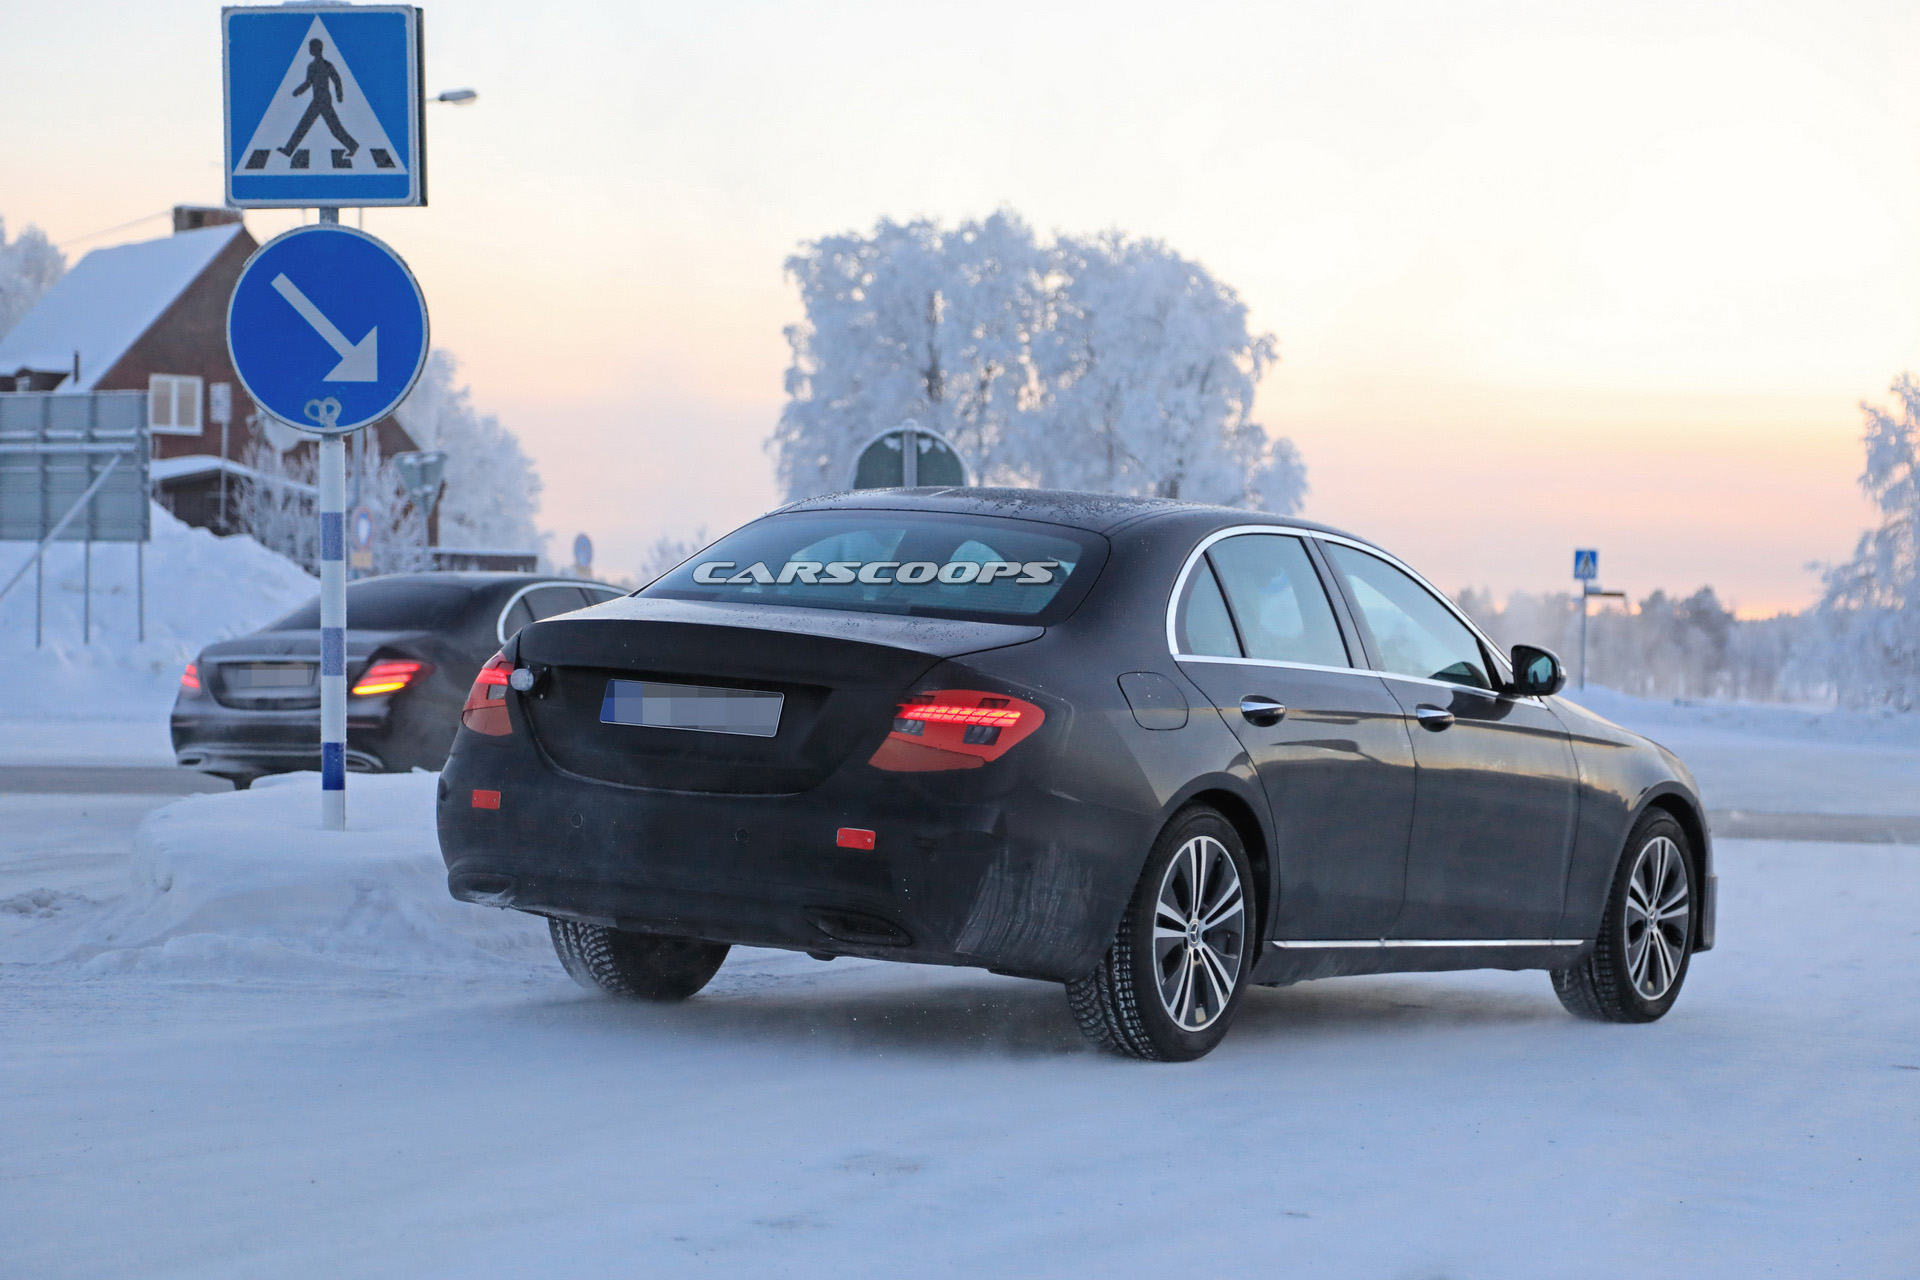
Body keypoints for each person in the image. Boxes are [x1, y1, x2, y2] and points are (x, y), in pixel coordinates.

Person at [278, 38, 358, 158]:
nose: (310, 50)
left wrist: (339, 96)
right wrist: (298, 91)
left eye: (312, 47)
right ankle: (288, 150)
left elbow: (336, 79)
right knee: (310, 125)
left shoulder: (327, 65)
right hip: (317, 99)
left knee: (327, 128)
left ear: (317, 49)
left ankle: (353, 146)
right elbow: (308, 82)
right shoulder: (311, 66)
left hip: (324, 99)